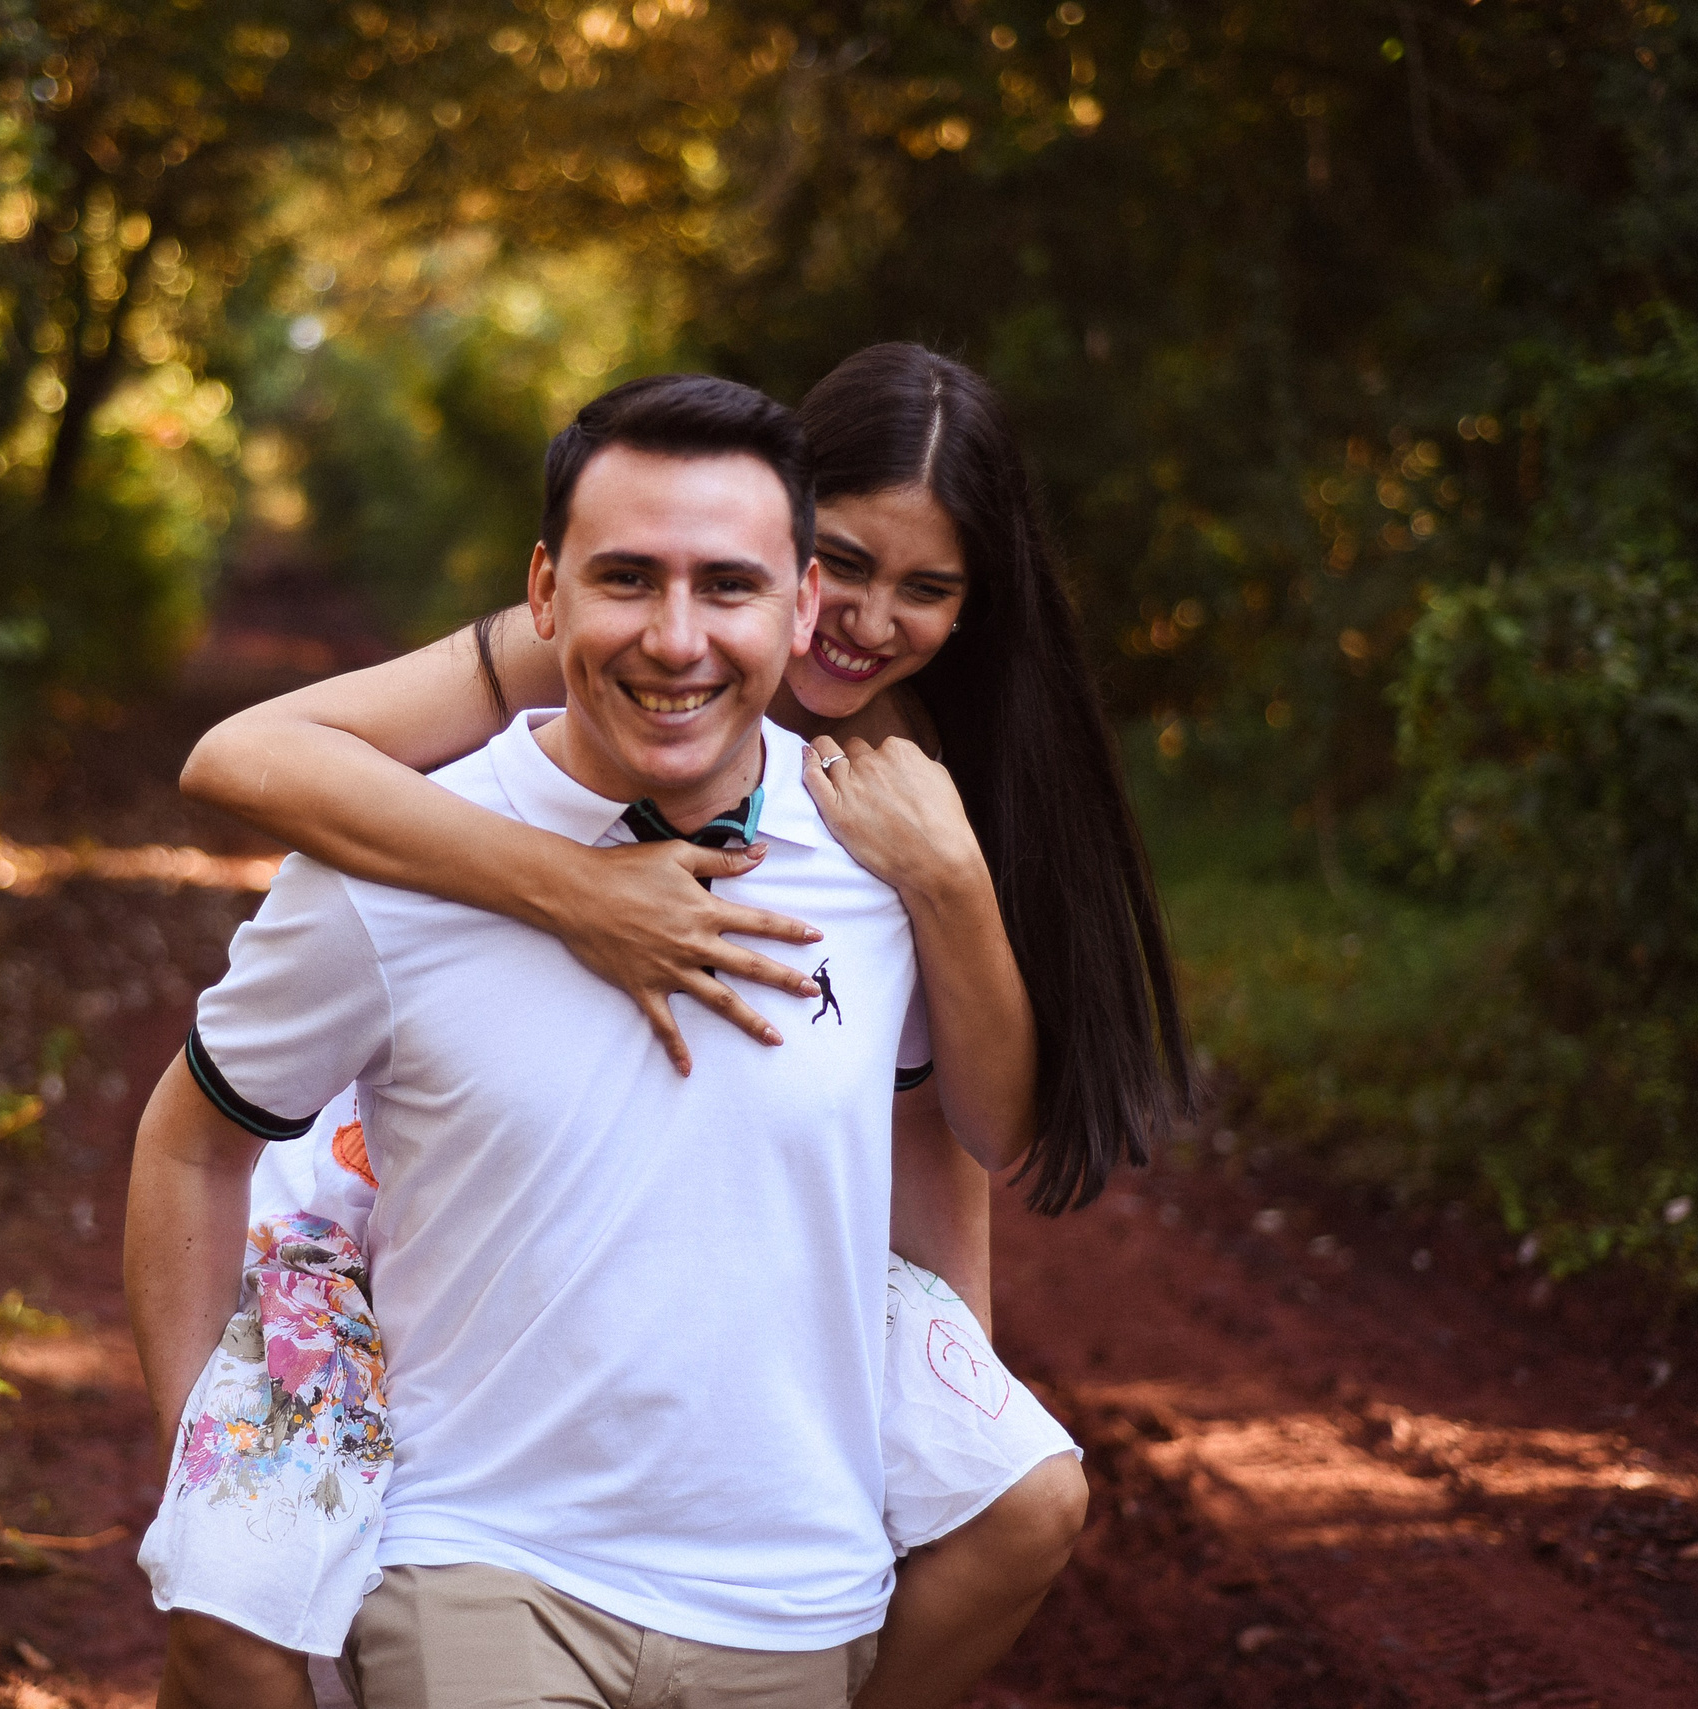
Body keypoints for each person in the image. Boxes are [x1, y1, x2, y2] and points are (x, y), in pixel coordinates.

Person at [160, 346, 1189, 1706]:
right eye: (850, 564)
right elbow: (243, 760)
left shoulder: (917, 777)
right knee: (241, 1597)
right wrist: (575, 889)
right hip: (419, 1177)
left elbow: (945, 1141)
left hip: (758, 1271)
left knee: (1025, 1494)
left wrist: (930, 1419)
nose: (863, 622)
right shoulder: (612, 634)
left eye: (926, 589)